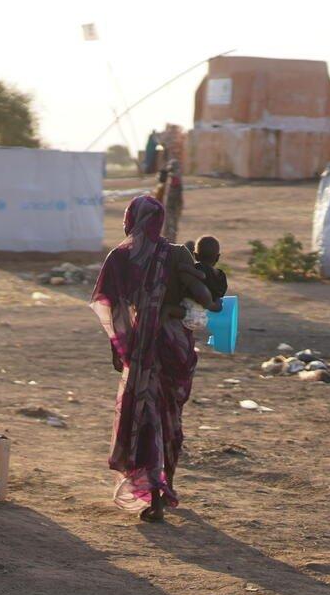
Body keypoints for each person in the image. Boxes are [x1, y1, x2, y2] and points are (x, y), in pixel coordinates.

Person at [92, 195, 220, 523]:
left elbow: (110, 305)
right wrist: (176, 307)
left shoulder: (120, 258)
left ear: (130, 220)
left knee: (145, 415)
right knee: (169, 418)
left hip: (142, 346)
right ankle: (166, 487)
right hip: (175, 345)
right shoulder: (177, 254)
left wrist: (119, 348)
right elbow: (205, 300)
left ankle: (154, 496)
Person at [189, 235, 228, 303]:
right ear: (217, 257)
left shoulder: (196, 269)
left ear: (195, 256)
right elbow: (221, 294)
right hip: (214, 306)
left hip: (195, 306)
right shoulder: (221, 276)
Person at [156, 158, 185, 242]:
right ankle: (168, 242)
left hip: (172, 207)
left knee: (171, 228)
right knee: (168, 228)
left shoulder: (175, 180)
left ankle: (170, 243)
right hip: (169, 208)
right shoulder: (170, 180)